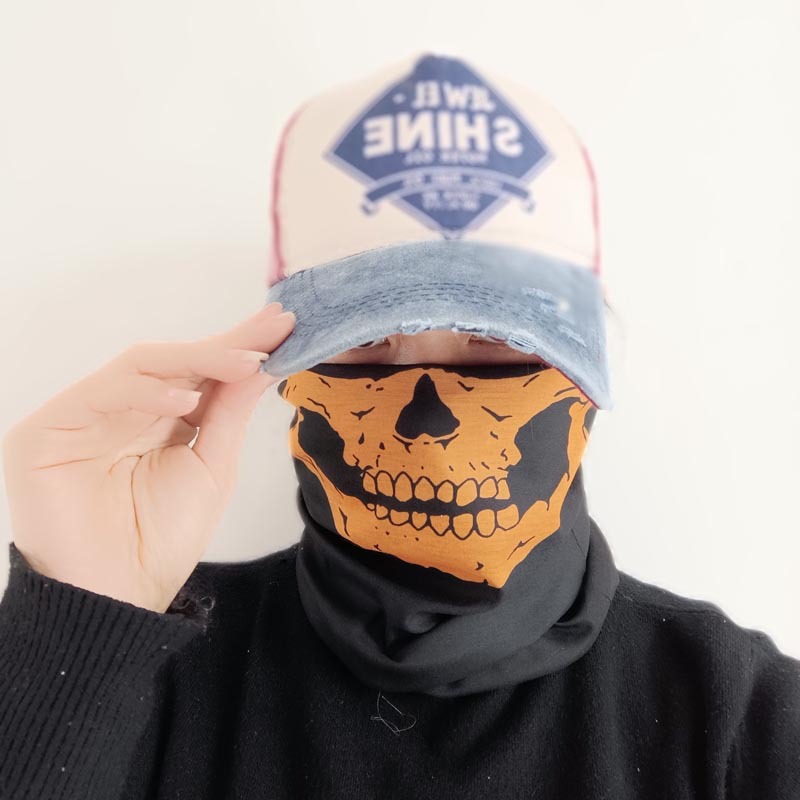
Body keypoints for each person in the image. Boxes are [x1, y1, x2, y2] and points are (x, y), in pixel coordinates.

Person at [1, 51, 798, 800]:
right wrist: (78, 623)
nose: (428, 414)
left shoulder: (743, 719)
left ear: (585, 370)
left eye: (496, 343)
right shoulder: (140, 670)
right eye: (369, 342)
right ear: (279, 364)